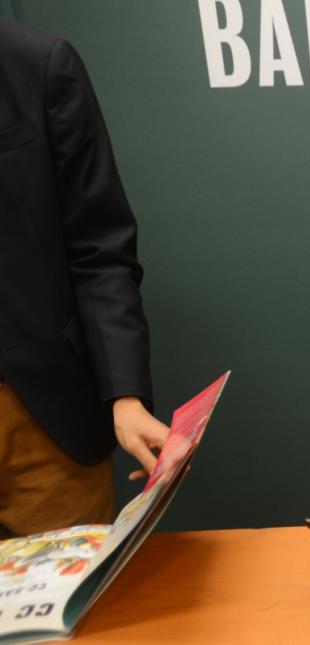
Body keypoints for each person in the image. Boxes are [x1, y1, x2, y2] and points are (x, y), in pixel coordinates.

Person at [0, 17, 168, 537]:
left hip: (39, 418)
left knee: (61, 610)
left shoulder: (37, 65)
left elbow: (100, 248)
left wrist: (126, 394)